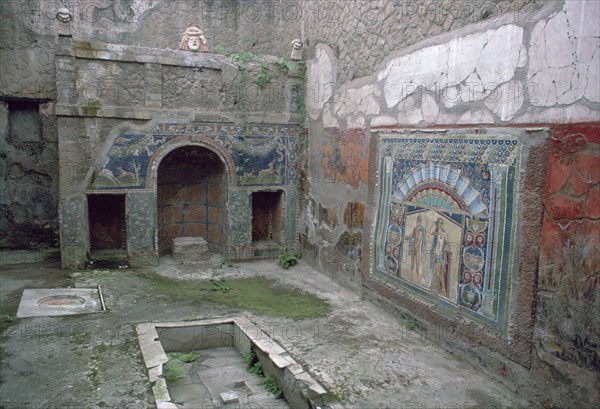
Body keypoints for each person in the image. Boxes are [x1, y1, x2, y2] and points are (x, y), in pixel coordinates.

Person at [430, 218, 450, 297]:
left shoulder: (444, 234)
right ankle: (434, 288)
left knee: (439, 273)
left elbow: (447, 244)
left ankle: (439, 289)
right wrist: (434, 225)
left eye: (441, 223)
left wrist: (443, 251)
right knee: (434, 271)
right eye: (438, 223)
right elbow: (431, 232)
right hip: (435, 254)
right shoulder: (436, 233)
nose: (439, 225)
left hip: (440, 255)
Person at [409, 215, 425, 281]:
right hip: (414, 246)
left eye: (420, 220)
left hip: (418, 248)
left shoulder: (421, 229)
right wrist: (410, 239)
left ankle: (419, 278)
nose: (419, 221)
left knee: (418, 262)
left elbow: (420, 238)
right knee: (412, 261)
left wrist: (417, 244)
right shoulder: (415, 229)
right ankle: (412, 276)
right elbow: (413, 237)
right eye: (418, 219)